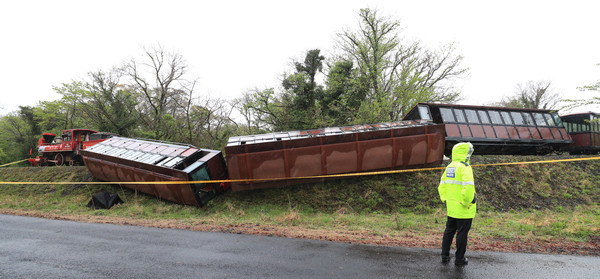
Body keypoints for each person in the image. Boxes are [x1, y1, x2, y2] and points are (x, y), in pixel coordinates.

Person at [438, 142, 477, 266]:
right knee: (462, 233)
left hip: (452, 207)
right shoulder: (465, 167)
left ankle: (445, 256)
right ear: (465, 153)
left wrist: (445, 199)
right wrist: (467, 202)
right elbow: (468, 188)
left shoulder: (450, 166)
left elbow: (442, 186)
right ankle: (459, 259)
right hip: (464, 208)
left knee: (449, 230)